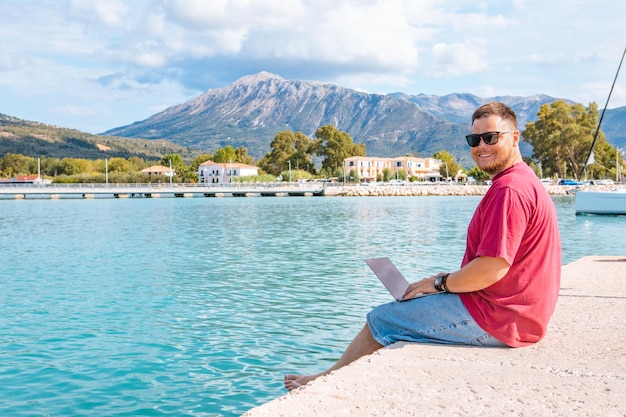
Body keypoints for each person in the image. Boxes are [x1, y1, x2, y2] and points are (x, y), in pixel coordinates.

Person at [284, 101, 562, 391]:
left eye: (491, 137)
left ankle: (325, 382)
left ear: (514, 137)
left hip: (501, 320)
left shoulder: (509, 190)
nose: (481, 146)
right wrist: (442, 284)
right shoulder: (522, 181)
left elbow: (492, 268)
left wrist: (441, 284)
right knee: (413, 301)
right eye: (474, 139)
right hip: (517, 314)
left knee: (382, 319)